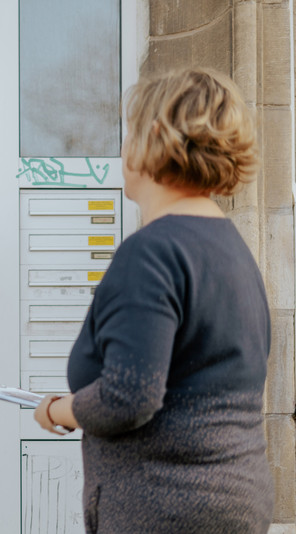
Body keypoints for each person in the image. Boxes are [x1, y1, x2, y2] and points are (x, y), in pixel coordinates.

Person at [34, 67, 274, 533]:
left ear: (156, 137)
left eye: (129, 132)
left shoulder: (152, 252)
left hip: (163, 507)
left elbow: (129, 396)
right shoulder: (233, 249)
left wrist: (56, 410)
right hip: (239, 501)